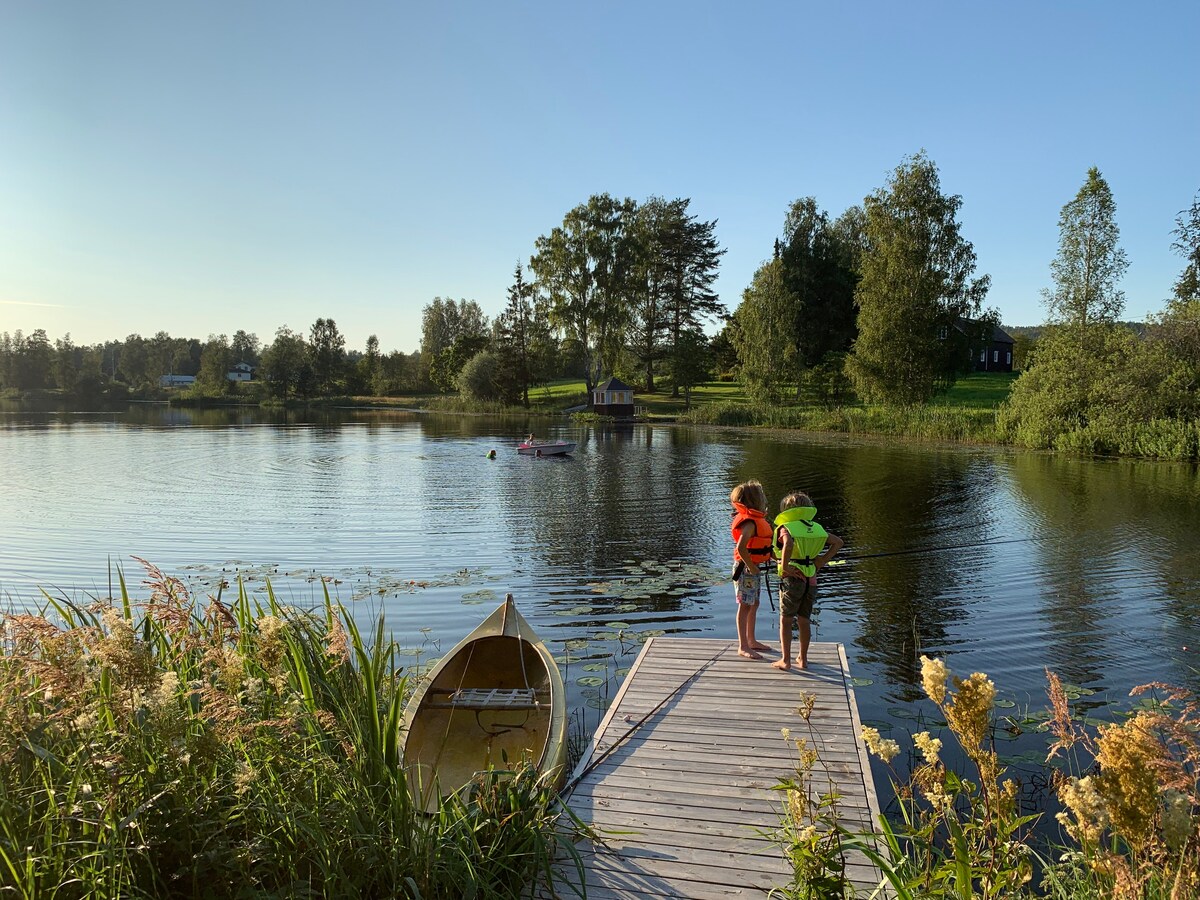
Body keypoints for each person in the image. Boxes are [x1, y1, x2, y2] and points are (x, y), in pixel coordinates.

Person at [772, 491, 843, 671]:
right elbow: (838, 542)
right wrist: (821, 560)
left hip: (793, 578)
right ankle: (803, 659)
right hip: (811, 577)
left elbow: (787, 544)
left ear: (787, 511)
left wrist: (786, 566)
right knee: (804, 620)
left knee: (786, 620)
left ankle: (785, 660)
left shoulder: (786, 527)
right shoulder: (816, 528)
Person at [730, 480, 775, 659]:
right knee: (745, 605)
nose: (764, 499)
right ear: (755, 500)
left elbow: (761, 546)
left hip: (753, 568)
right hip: (746, 570)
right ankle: (743, 646)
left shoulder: (758, 520)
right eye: (762, 497)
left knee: (754, 604)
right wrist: (750, 566)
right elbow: (742, 548)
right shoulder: (749, 523)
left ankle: (752, 640)